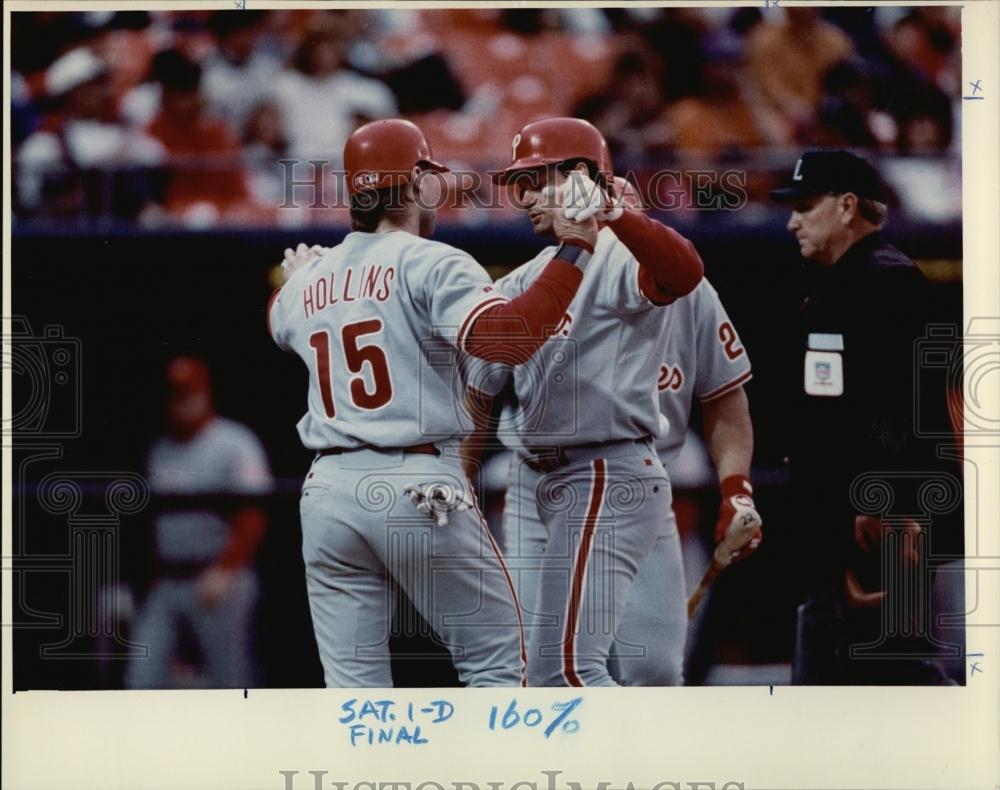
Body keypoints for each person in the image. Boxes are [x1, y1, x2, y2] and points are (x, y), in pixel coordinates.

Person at [268, 118, 599, 687]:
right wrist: (575, 249)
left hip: (327, 492)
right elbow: (509, 339)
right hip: (417, 482)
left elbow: (277, 318)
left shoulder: (305, 282)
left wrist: (303, 276)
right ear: (417, 182)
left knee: (353, 688)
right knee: (496, 665)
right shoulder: (431, 260)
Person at [484, 117, 704, 686]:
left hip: (604, 468)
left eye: (536, 179)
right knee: (539, 673)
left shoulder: (617, 250)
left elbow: (683, 272)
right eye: (519, 183)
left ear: (580, 175)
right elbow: (480, 384)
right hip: (533, 480)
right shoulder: (527, 278)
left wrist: (617, 213)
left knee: (574, 672)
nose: (524, 197)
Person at [771, 149, 955, 684]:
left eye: (806, 206)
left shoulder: (887, 282)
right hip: (838, 518)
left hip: (875, 522)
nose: (791, 221)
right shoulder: (837, 283)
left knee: (883, 671)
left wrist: (892, 502)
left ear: (848, 206)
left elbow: (910, 409)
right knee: (841, 669)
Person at [125, 357, 272, 689]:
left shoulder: (235, 442)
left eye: (187, 391)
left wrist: (224, 571)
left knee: (230, 682)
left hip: (220, 577)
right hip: (169, 579)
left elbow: (253, 516)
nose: (181, 400)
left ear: (205, 391)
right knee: (142, 679)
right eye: (173, 392)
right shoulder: (160, 449)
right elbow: (153, 527)